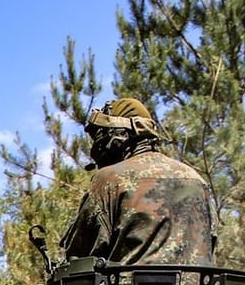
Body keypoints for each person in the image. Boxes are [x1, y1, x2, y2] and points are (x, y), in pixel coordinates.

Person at [59, 98, 217, 266]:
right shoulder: (196, 179)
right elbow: (210, 245)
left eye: (100, 136)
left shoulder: (109, 180)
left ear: (116, 136)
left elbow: (79, 257)